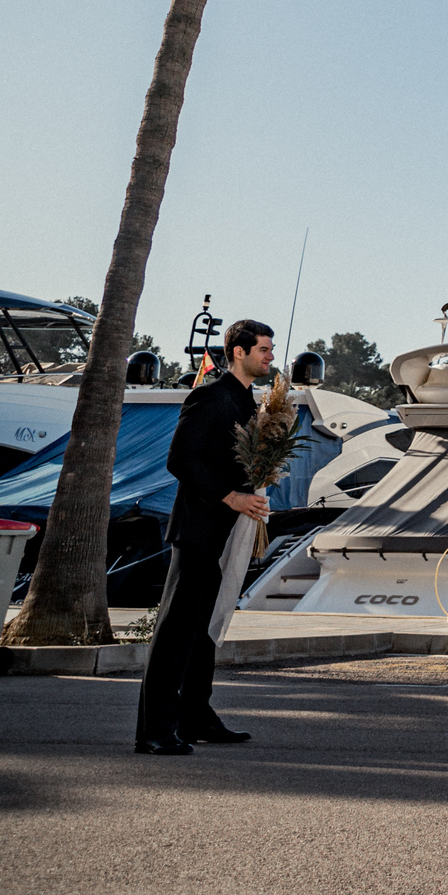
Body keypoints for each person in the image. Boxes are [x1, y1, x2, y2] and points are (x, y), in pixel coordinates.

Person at [134, 318, 273, 755]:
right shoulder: (208, 396)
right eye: (264, 349)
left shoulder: (253, 405)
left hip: (233, 534)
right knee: (176, 630)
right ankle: (154, 730)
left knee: (205, 630)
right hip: (198, 530)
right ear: (239, 351)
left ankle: (195, 717)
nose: (271, 356)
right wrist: (230, 497)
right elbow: (180, 460)